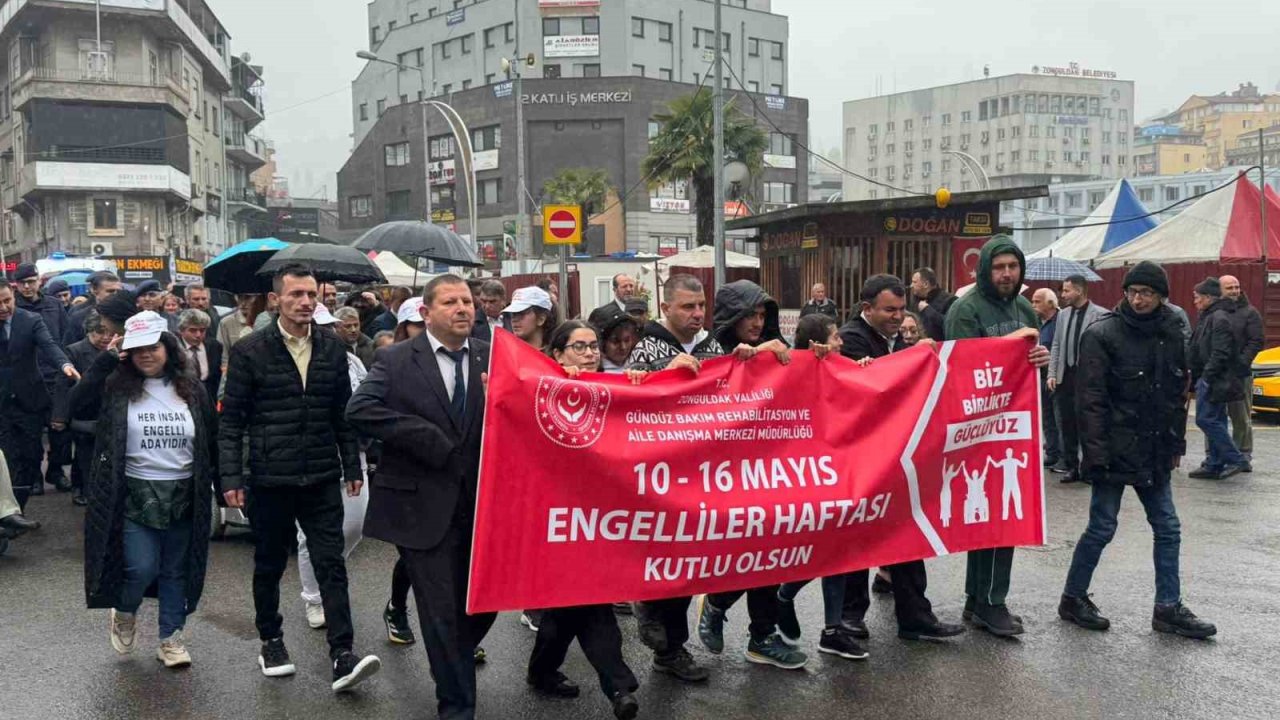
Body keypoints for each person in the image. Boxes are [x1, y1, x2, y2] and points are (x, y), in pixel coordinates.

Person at [780, 275, 963, 657]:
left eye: (901, 310)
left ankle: (914, 615)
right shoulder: (852, 337)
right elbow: (869, 387)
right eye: (889, 310)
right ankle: (847, 615)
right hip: (856, 459)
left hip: (896, 455)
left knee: (906, 533)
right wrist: (912, 357)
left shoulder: (898, 337)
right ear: (868, 309)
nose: (898, 317)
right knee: (855, 540)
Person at [219, 265, 380, 691]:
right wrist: (232, 476)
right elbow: (232, 422)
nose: (306, 301)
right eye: (296, 295)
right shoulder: (250, 351)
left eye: (312, 294)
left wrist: (351, 467)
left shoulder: (331, 347)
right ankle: (271, 640)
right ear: (276, 300)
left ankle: (342, 654)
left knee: (332, 564)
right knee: (269, 564)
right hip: (270, 478)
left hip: (322, 475)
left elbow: (341, 415)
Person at [347, 275, 497, 719]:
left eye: (467, 301)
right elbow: (359, 410)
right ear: (426, 313)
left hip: (479, 506)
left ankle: (451, 661)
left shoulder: (493, 357)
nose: (462, 308)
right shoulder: (395, 360)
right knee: (440, 611)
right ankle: (457, 706)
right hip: (419, 508)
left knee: (480, 605)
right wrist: (422, 435)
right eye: (450, 302)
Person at [1059, 261, 1217, 640]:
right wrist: (1093, 456)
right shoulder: (1103, 334)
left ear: (1161, 296)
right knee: (1102, 527)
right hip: (1112, 450)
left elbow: (1177, 395)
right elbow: (1090, 400)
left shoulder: (1172, 330)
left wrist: (1176, 444)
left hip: (1154, 450)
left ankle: (1168, 607)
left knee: (1168, 528)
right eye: (1133, 292)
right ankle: (1073, 598)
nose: (1139, 299)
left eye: (1147, 293)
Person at [73, 311, 217, 667]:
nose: (146, 355)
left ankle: (171, 638)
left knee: (175, 570)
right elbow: (75, 405)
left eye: (152, 347)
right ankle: (124, 610)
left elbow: (212, 436)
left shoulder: (191, 388)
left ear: (167, 347)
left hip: (185, 492)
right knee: (140, 567)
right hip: (134, 492)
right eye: (137, 349)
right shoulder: (115, 387)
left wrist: (225, 480)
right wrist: (106, 360)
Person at [524, 320, 641, 719]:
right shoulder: (537, 388)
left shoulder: (614, 386)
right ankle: (619, 685)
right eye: (579, 347)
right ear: (558, 354)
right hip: (554, 518)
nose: (590, 353)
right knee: (588, 599)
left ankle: (541, 671)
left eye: (593, 346)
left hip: (598, 518)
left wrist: (641, 383)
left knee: (570, 602)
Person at [943, 234, 1050, 637]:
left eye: (1013, 267)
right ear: (985, 270)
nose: (1007, 274)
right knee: (988, 515)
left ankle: (981, 599)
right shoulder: (965, 309)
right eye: (999, 267)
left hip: (1013, 425)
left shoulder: (1025, 307)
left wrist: (1039, 358)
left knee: (1005, 514)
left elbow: (1030, 359)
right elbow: (959, 364)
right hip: (975, 427)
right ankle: (991, 601)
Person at [697, 280, 806, 671]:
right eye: (750, 315)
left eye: (763, 315)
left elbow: (802, 380)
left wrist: (823, 355)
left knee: (772, 555)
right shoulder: (713, 349)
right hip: (726, 472)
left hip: (770, 467)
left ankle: (761, 637)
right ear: (732, 316)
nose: (758, 323)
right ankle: (719, 601)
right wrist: (744, 359)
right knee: (744, 553)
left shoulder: (777, 349)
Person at [624, 274, 719, 683]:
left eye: (701, 306)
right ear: (667, 308)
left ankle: (668, 639)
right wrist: (666, 370)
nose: (697, 314)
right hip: (660, 473)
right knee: (663, 556)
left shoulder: (713, 345)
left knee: (689, 563)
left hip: (702, 472)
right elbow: (630, 398)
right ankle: (665, 639)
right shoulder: (646, 347)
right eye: (687, 307)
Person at [293, 304, 376, 636]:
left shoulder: (352, 361)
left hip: (352, 455)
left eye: (330, 327)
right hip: (311, 458)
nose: (326, 333)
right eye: (320, 327)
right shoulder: (297, 363)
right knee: (309, 534)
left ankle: (327, 572)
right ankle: (315, 597)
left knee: (355, 525)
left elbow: (369, 396)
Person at [0, 279, 80, 512]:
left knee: (32, 457)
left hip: (29, 400)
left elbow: (50, 344)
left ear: (13, 296)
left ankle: (18, 508)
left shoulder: (31, 320)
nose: (4, 308)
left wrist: (64, 364)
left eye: (7, 301)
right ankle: (9, 514)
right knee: (7, 458)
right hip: (1, 403)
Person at [13, 264, 73, 494]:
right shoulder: (12, 306)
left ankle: (55, 471)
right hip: (25, 379)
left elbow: (65, 338)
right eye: (23, 283)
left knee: (60, 429)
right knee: (30, 433)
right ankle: (34, 475)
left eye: (31, 281)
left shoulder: (54, 305)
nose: (28, 286)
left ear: (39, 281)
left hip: (54, 377)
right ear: (16, 285)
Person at [1187, 278, 1248, 480]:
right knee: (1217, 420)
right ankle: (1214, 463)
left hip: (1215, 379)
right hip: (1212, 377)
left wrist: (1206, 377)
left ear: (1207, 298)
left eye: (1196, 298)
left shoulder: (1219, 317)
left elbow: (1221, 352)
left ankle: (1236, 458)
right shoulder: (1210, 315)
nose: (1194, 302)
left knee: (1205, 419)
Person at [1047, 275, 1106, 484]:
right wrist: (1052, 374)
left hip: (1088, 379)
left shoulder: (1100, 315)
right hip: (1066, 376)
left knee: (1088, 425)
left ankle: (1089, 468)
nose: (1063, 295)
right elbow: (1056, 344)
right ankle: (1072, 466)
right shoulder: (1062, 316)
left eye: (1066, 291)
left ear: (1079, 291)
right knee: (1068, 424)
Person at [64, 311, 114, 506]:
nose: (105, 338)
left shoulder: (115, 350)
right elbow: (67, 386)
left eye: (109, 333)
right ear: (88, 332)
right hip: (84, 410)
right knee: (85, 454)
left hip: (108, 407)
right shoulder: (74, 351)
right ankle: (82, 488)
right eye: (99, 333)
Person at [1219, 275, 1263, 462]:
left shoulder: (1250, 313)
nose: (1235, 290)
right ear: (1220, 290)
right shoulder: (1215, 312)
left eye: (1236, 286)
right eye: (1229, 288)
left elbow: (1256, 341)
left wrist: (1241, 363)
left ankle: (1243, 454)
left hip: (1240, 374)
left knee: (1241, 417)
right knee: (1215, 417)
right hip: (1218, 373)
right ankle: (1216, 454)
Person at [1031, 288, 1063, 471]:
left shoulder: (1061, 321)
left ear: (1050, 303)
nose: (1033, 305)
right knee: (1047, 418)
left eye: (1037, 301)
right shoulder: (1036, 322)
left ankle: (1064, 455)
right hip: (1040, 376)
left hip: (1056, 377)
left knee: (1060, 418)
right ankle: (1052, 453)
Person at [64, 271, 121, 348]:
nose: (115, 294)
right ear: (94, 290)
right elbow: (69, 348)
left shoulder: (127, 315)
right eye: (110, 291)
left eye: (118, 291)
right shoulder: (78, 317)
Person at [177, 309, 222, 405]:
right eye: (193, 330)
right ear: (182, 330)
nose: (198, 335)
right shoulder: (175, 348)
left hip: (209, 399)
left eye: (202, 330)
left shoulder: (214, 346)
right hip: (183, 399)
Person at [216, 293, 265, 368]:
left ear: (257, 298)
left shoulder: (267, 320)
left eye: (248, 298)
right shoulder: (226, 323)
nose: (243, 303)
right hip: (236, 371)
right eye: (239, 297)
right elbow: (223, 356)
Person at [911, 267, 956, 342]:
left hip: (941, 348)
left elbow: (950, 325)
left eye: (914, 282)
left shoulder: (949, 300)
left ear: (925, 284)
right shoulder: (916, 301)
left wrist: (928, 310)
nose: (911, 285)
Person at [504, 286, 556, 351]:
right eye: (513, 314)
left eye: (521, 313)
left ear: (541, 319)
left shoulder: (557, 356)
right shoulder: (507, 353)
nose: (514, 319)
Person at [597, 309, 642, 374]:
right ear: (602, 343)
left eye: (627, 340)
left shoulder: (640, 366)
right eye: (615, 341)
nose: (623, 347)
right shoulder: (594, 370)